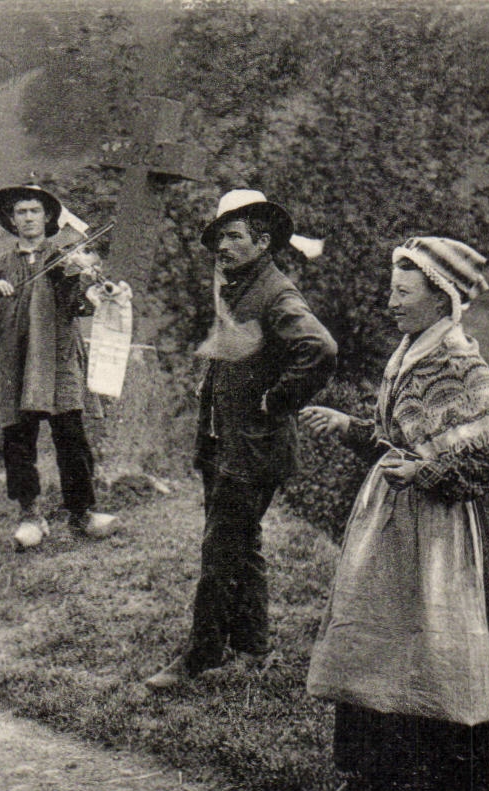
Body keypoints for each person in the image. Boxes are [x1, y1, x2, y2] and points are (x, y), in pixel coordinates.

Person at [298, 237, 489, 791]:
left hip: (440, 534)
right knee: (376, 646)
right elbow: (399, 440)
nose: (390, 302)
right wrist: (350, 429)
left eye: (402, 291)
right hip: (391, 526)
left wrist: (426, 474)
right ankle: (366, 787)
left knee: (445, 655)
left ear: (441, 297)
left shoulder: (458, 366)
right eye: (391, 289)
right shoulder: (408, 355)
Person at [145, 190, 337, 691]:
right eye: (219, 238)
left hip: (251, 451)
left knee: (219, 553)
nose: (221, 247)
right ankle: (252, 646)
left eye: (232, 236)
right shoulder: (239, 287)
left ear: (263, 240)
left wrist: (277, 401)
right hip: (225, 446)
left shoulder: (277, 294)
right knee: (242, 544)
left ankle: (201, 656)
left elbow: (319, 349)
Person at [0, 182, 118, 550]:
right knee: (18, 439)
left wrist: (85, 279)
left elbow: (84, 305)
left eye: (34, 211)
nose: (28, 218)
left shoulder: (65, 256)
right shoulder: (0, 265)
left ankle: (83, 513)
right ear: (12, 221)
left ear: (47, 217)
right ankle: (30, 515)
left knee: (71, 436)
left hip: (59, 357)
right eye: (21, 212)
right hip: (16, 361)